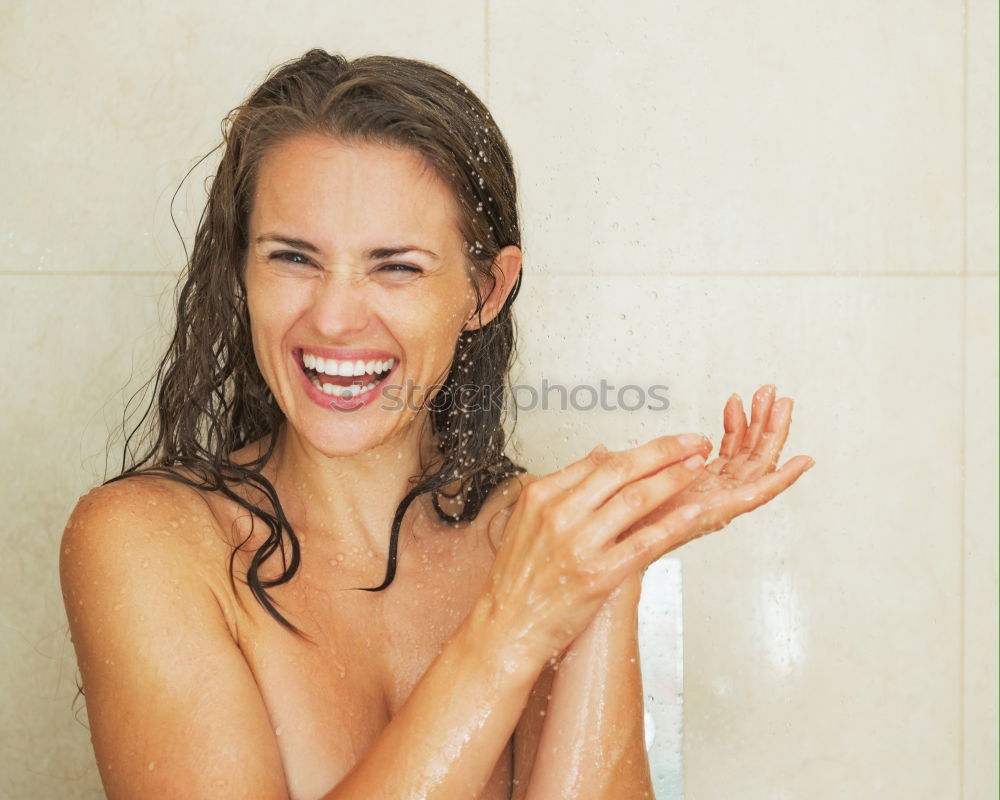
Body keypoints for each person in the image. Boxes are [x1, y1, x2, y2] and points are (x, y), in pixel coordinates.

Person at [59, 49, 815, 800]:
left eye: (397, 267)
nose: (333, 317)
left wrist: (607, 567)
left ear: (485, 291)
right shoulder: (148, 542)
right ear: (241, 270)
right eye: (293, 257)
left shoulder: (535, 544)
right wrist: (512, 626)